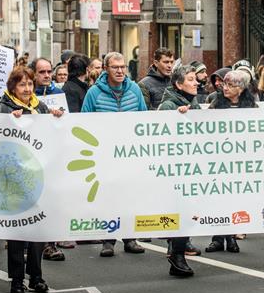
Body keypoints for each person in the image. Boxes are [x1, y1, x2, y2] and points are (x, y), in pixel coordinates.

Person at [0, 66, 59, 293]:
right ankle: (17, 279)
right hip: (12, 180)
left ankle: (36, 275)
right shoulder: (2, 108)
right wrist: (7, 122)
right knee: (17, 232)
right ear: (13, 87)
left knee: (37, 230)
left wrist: (56, 119)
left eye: (30, 84)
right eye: (22, 85)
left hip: (37, 177)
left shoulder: (39, 107)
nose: (27, 88)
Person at [81, 52, 147, 256]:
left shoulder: (134, 89)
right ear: (106, 69)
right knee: (108, 197)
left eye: (123, 67)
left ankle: (130, 238)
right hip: (104, 155)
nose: (119, 71)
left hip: (130, 154)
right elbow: (84, 121)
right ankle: (108, 240)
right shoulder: (94, 93)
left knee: (129, 196)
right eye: (115, 67)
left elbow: (144, 118)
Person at [157, 65, 203, 277]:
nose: (196, 83)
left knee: (188, 212)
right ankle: (177, 257)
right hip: (176, 170)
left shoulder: (192, 103)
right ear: (178, 84)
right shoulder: (168, 106)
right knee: (181, 211)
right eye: (191, 79)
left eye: (196, 79)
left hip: (192, 167)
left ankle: (176, 251)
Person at [206, 70, 258, 255]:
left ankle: (229, 236)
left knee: (233, 200)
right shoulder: (215, 105)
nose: (225, 88)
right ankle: (220, 238)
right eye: (224, 84)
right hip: (220, 161)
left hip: (240, 162)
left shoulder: (252, 107)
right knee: (219, 200)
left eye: (231, 85)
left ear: (242, 88)